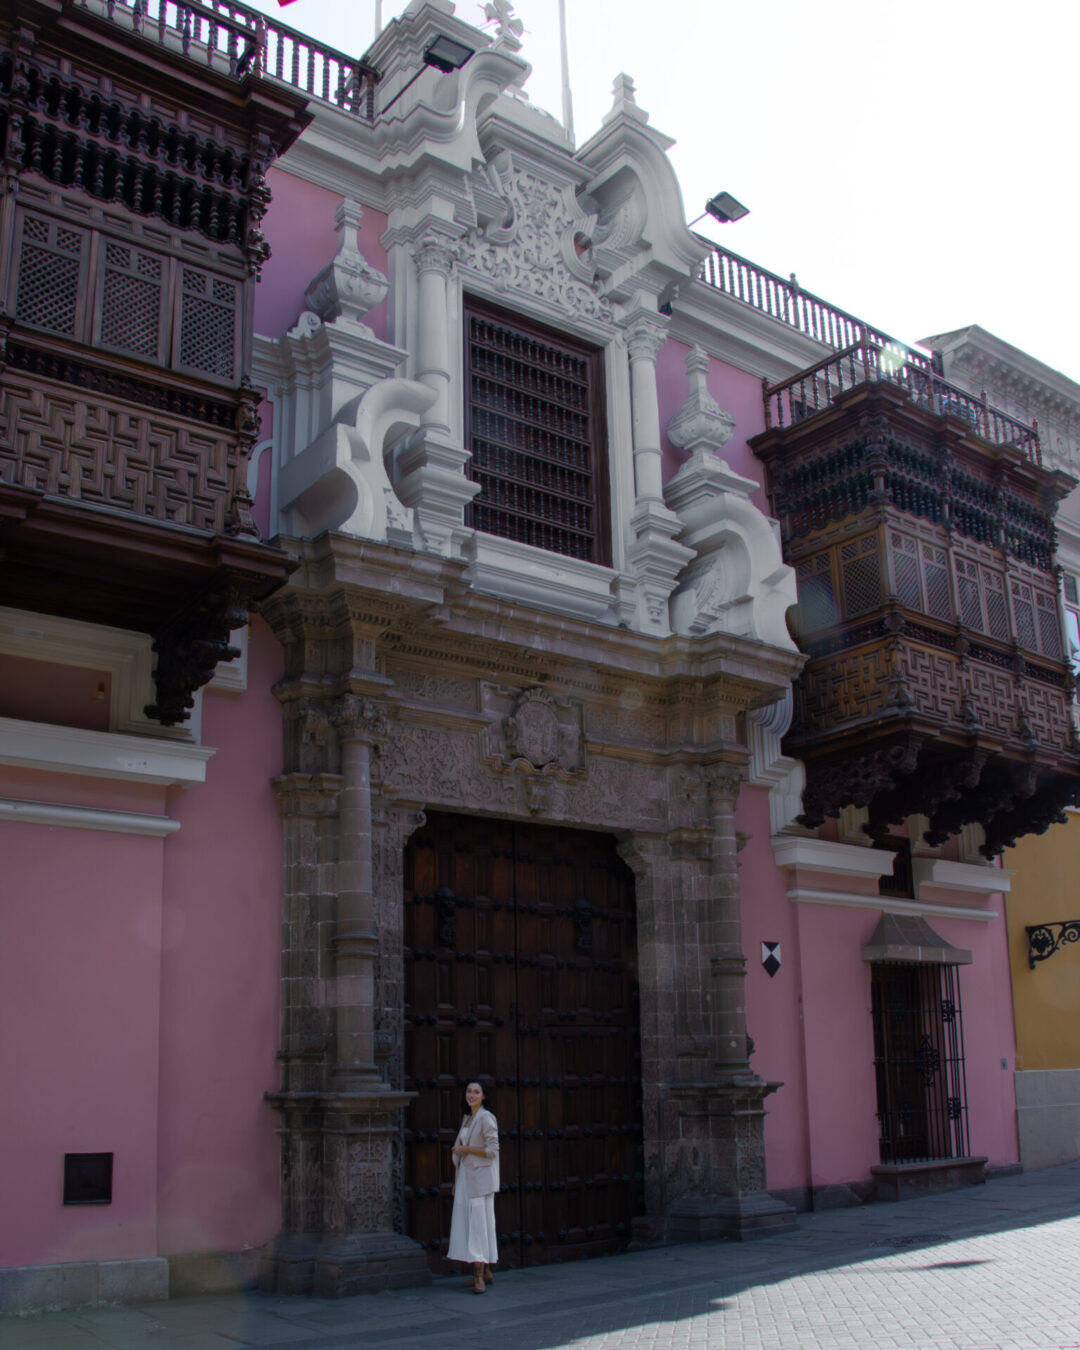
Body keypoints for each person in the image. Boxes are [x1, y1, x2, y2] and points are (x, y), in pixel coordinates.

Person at [449, 1080, 499, 1293]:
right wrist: (455, 1180)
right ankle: (486, 1271)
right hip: (465, 1180)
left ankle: (478, 1277)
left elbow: (492, 1150)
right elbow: (461, 1153)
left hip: (479, 1181)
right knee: (470, 1225)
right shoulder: (468, 1118)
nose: (471, 1095)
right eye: (469, 1091)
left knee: (478, 1226)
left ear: (484, 1096)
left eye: (476, 1092)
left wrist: (465, 1149)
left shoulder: (486, 1118)